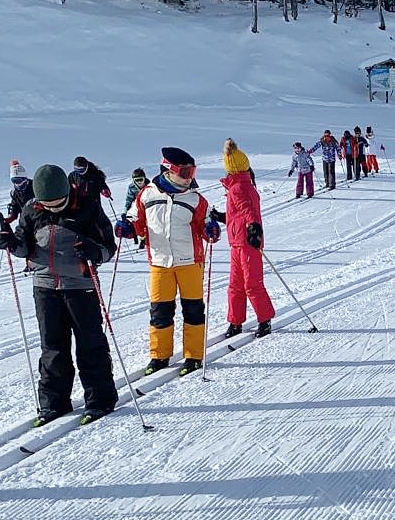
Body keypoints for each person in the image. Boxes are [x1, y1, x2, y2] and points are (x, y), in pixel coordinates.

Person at [0, 164, 118, 426]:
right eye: (47, 205)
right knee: (52, 346)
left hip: (80, 287)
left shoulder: (88, 206)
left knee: (90, 344)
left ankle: (100, 400)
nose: (53, 209)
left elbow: (109, 247)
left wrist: (94, 251)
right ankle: (54, 403)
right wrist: (9, 241)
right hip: (44, 286)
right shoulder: (31, 210)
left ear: (67, 192)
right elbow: (24, 248)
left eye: (58, 204)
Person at [117, 147, 217, 377]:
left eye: (192, 172)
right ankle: (160, 355)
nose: (189, 177)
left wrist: (211, 230)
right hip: (160, 262)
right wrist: (128, 228)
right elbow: (136, 221)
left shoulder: (195, 199)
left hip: (190, 261)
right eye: (184, 172)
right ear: (169, 170)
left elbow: (206, 226)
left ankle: (193, 356)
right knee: (160, 312)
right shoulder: (147, 195)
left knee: (193, 309)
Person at [209, 139, 275, 339]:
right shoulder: (239, 186)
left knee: (251, 284)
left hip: (247, 242)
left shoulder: (238, 188)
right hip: (238, 242)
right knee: (236, 285)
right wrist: (221, 217)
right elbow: (239, 214)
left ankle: (264, 320)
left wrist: (254, 228)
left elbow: (249, 212)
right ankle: (235, 321)